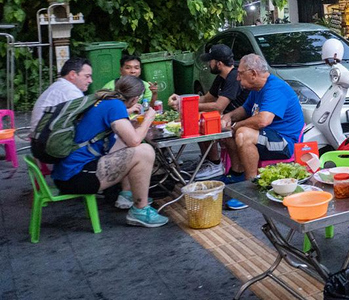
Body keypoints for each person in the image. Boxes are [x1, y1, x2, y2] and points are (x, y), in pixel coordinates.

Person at [51, 76, 168, 227]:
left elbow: (122, 136)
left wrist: (132, 123)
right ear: (135, 99)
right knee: (145, 151)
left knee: (126, 145)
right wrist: (148, 119)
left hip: (66, 173)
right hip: (75, 178)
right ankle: (140, 210)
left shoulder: (105, 100)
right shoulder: (115, 106)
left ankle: (127, 195)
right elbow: (135, 141)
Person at [167, 44, 249, 179]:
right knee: (197, 121)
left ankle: (222, 166)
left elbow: (218, 106)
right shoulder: (221, 77)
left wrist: (188, 107)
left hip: (239, 117)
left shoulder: (233, 78)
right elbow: (206, 98)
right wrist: (182, 100)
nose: (208, 64)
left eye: (210, 61)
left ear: (219, 63)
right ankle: (209, 160)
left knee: (216, 127)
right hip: (227, 117)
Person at [221, 54, 304, 182]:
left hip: (285, 142)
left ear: (253, 73)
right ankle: (237, 174)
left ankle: (250, 185)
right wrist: (228, 116)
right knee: (228, 134)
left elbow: (263, 120)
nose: (237, 78)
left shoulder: (275, 88)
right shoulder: (257, 88)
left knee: (243, 134)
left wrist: (235, 126)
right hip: (269, 137)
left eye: (240, 74)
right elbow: (245, 109)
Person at [29, 58, 93, 134]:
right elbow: (86, 120)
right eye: (87, 76)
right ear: (73, 75)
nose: (90, 81)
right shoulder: (69, 90)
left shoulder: (60, 86)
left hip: (41, 137)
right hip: (48, 140)